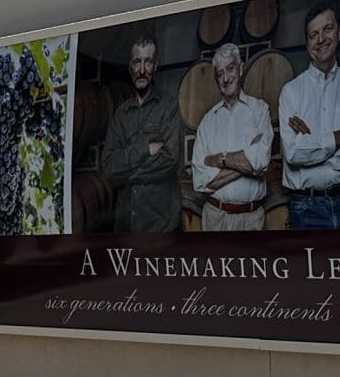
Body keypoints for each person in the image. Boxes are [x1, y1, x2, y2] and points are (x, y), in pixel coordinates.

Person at [277, 0, 340, 228]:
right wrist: (338, 138)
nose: (321, 39)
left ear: (339, 33)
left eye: (328, 29)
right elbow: (292, 154)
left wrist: (314, 150)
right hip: (306, 207)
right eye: (313, 35)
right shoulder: (291, 92)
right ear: (307, 43)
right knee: (311, 266)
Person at [96, 33, 183, 232]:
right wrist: (145, 148)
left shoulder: (169, 108)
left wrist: (128, 173)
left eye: (148, 62)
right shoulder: (120, 115)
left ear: (156, 66)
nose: (142, 70)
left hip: (161, 224)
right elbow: (109, 167)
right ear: (130, 67)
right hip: (126, 224)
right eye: (137, 62)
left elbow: (170, 160)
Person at [190, 42, 273, 231]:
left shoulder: (259, 110)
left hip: (250, 219)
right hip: (215, 218)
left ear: (241, 68)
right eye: (220, 73)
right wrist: (246, 164)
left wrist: (219, 159)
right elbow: (200, 179)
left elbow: (260, 161)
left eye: (230, 69)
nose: (226, 78)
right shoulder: (208, 121)